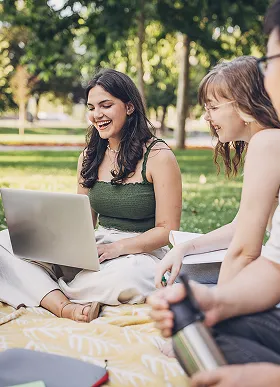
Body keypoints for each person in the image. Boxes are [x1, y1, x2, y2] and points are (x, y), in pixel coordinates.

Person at [148, 0, 280, 385]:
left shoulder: (271, 142)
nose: (266, 80)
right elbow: (273, 261)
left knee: (215, 344)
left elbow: (245, 249)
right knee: (209, 328)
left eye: (268, 64)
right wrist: (216, 303)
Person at [0, 69, 182, 323]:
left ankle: (45, 289)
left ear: (129, 107)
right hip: (97, 248)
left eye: (106, 105)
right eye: (92, 107)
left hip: (140, 252)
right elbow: (84, 222)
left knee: (128, 275)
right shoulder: (88, 156)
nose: (97, 115)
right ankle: (65, 304)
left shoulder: (159, 156)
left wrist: (117, 249)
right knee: (4, 244)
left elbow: (167, 230)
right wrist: (57, 243)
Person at [156, 55, 280, 310]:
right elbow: (240, 227)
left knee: (181, 298)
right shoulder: (277, 139)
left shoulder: (269, 143)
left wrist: (218, 315)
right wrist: (184, 248)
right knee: (181, 280)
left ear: (244, 106)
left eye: (213, 107)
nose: (206, 117)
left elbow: (244, 252)